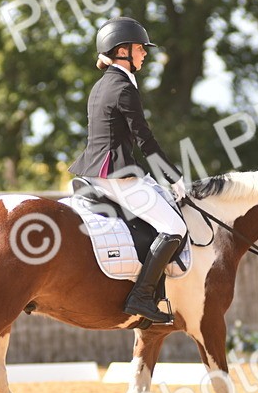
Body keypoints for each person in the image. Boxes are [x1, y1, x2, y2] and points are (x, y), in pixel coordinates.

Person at [69, 16, 188, 324]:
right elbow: (144, 139)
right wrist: (173, 176)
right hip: (115, 175)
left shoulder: (101, 85)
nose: (145, 53)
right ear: (122, 51)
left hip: (94, 172)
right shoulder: (123, 88)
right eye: (140, 48)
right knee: (176, 228)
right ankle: (142, 296)